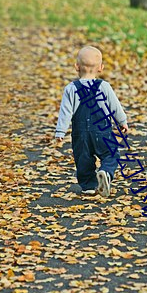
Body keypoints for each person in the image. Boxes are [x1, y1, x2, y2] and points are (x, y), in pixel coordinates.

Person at [55, 46, 128, 196]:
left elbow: (65, 112)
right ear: (101, 68)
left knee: (83, 159)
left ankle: (88, 186)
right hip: (102, 131)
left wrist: (60, 131)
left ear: (77, 66)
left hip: (80, 133)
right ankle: (105, 172)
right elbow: (115, 106)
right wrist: (122, 121)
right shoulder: (104, 86)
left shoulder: (71, 88)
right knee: (111, 154)